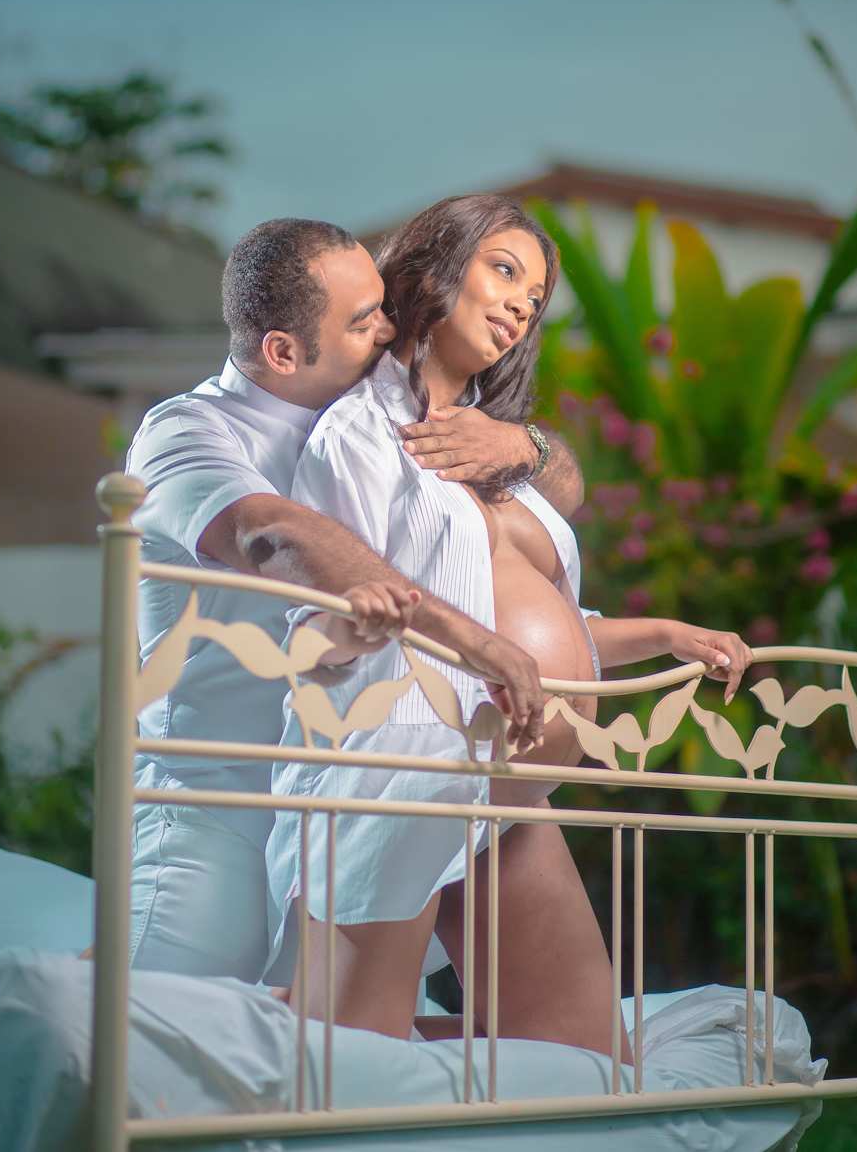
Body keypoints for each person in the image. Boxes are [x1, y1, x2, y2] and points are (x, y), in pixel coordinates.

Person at [266, 195, 751, 1053]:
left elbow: (540, 624)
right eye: (504, 270)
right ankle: (278, 1012)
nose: (523, 303)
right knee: (349, 1062)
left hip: (509, 794)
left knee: (586, 1056)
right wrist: (355, 632)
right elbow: (329, 614)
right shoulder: (360, 434)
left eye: (535, 295)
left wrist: (666, 635)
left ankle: (306, 1012)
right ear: (436, 266)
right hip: (412, 774)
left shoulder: (502, 456)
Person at [123, 216, 579, 983]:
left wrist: (521, 445)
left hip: (354, 798)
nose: (392, 327)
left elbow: (557, 498)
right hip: (217, 820)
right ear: (283, 352)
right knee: (161, 1030)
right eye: (366, 320)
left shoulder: (390, 422)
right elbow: (270, 534)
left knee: (340, 1041)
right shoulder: (189, 432)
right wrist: (469, 640)